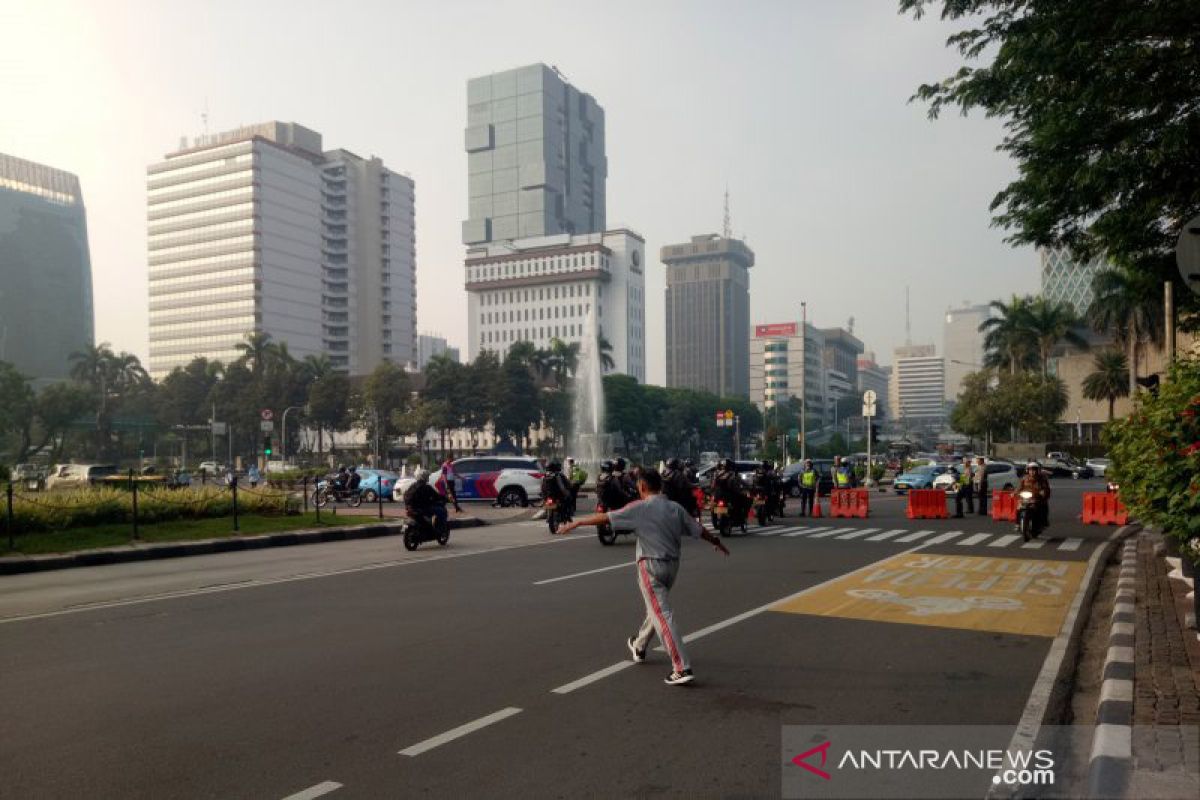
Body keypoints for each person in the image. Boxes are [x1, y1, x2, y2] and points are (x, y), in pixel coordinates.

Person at [556, 468, 730, 686]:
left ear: (642, 487)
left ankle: (681, 667)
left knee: (662, 615)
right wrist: (716, 542)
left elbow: (607, 517)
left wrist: (577, 522)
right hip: (672, 567)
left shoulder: (640, 508)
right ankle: (639, 645)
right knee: (656, 608)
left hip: (650, 566)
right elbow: (698, 529)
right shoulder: (675, 508)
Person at [710, 458, 749, 522]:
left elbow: (713, 485)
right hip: (729, 496)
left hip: (718, 495)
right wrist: (745, 489)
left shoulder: (717, 473)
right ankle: (740, 517)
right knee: (744, 500)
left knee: (713, 505)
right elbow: (739, 485)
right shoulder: (734, 474)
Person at [1017, 462, 1052, 532]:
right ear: (1027, 471)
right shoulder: (1024, 478)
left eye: (1034, 470)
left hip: (1037, 498)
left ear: (1037, 471)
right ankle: (1017, 524)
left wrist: (1043, 492)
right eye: (1030, 470)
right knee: (1018, 508)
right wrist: (1014, 492)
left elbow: (1046, 488)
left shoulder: (1042, 479)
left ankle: (1043, 523)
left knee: (1043, 507)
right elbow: (1019, 488)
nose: (1032, 472)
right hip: (1026, 498)